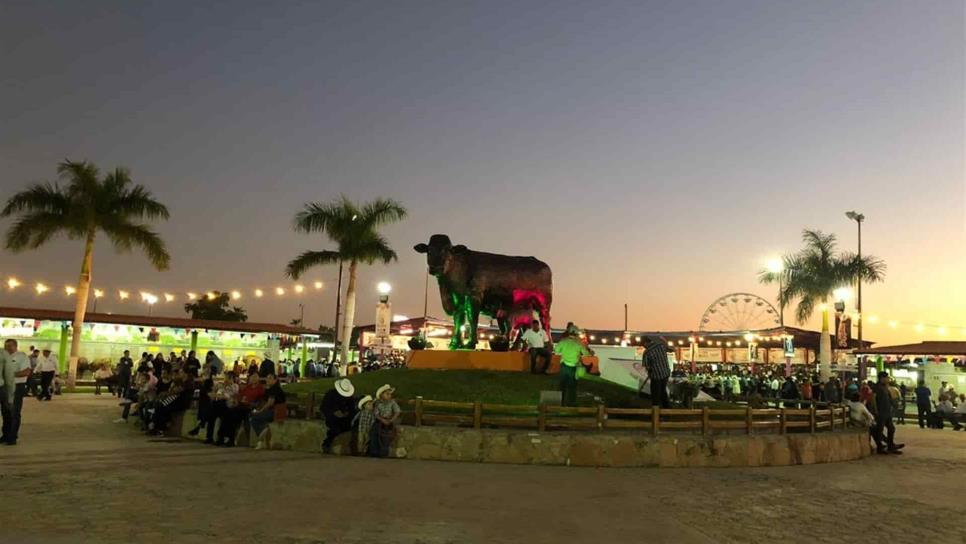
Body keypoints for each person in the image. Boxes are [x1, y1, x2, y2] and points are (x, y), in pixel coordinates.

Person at [553, 324, 593, 407]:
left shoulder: (563, 341)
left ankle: (560, 403)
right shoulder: (578, 343)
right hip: (573, 368)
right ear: (576, 334)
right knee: (572, 387)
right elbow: (586, 353)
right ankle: (571, 404)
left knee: (562, 386)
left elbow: (556, 351)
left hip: (564, 366)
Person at [0, 339, 30, 445]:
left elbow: (26, 371)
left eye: (10, 346)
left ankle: (12, 437)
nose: (7, 348)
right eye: (5, 346)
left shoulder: (21, 356)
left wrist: (9, 374)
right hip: (6, 387)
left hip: (17, 387)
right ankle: (5, 435)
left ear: (15, 346)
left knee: (14, 412)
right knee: (5, 412)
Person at [250, 373, 286, 449]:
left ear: (275, 380)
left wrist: (260, 411)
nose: (267, 380)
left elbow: (270, 403)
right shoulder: (269, 389)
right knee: (253, 418)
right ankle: (262, 433)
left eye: (270, 378)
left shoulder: (275, 389)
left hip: (276, 411)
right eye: (267, 378)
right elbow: (264, 400)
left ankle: (262, 434)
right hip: (271, 410)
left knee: (254, 418)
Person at [871, 371, 904, 454]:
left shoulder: (885, 387)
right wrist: (876, 410)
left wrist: (893, 406)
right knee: (880, 430)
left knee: (891, 428)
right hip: (881, 412)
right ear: (882, 378)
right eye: (886, 378)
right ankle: (880, 447)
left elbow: (889, 398)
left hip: (887, 412)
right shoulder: (877, 387)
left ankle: (890, 445)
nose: (888, 379)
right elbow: (873, 399)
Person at [321, 378, 356, 453]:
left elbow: (352, 409)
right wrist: (334, 412)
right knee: (335, 428)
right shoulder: (330, 394)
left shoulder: (349, 398)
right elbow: (324, 407)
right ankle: (327, 444)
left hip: (344, 418)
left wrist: (346, 414)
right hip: (331, 416)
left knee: (347, 427)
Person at [208, 371, 239, 446]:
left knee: (226, 415)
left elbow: (226, 397)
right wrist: (215, 391)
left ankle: (222, 438)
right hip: (221, 406)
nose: (225, 379)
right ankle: (211, 437)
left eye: (227, 378)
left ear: (231, 378)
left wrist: (217, 395)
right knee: (211, 412)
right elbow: (212, 394)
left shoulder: (234, 386)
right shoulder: (221, 386)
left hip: (229, 406)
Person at [368, 384, 400, 457]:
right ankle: (374, 452)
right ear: (382, 395)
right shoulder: (378, 403)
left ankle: (383, 453)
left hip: (389, 421)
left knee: (386, 437)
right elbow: (376, 413)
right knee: (374, 433)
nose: (389, 396)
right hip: (379, 421)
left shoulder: (392, 402)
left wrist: (391, 420)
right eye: (387, 394)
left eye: (390, 394)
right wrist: (382, 420)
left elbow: (397, 411)